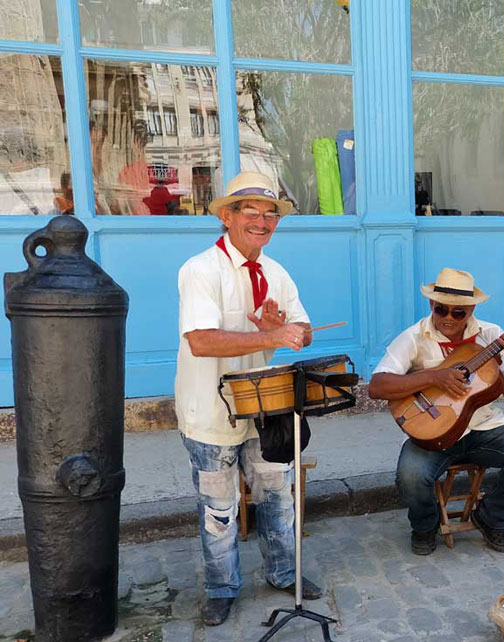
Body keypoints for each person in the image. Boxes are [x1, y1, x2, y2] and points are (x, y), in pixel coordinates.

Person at [174, 171, 319, 627]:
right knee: (219, 509)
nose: (262, 221)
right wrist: (268, 332)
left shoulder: (276, 272)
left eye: (269, 213)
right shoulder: (201, 269)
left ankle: (282, 572)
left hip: (266, 407)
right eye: (250, 212)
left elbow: (305, 330)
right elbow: (199, 340)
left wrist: (285, 330)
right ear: (226, 216)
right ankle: (221, 588)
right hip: (210, 410)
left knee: (278, 495)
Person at [368, 268, 504, 556]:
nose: (448, 318)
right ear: (431, 306)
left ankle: (491, 517)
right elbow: (376, 386)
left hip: (483, 427)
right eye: (442, 310)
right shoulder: (414, 337)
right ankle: (425, 527)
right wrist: (433, 378)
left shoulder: (491, 335)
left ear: (471, 309)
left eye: (458, 313)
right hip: (432, 433)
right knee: (410, 475)